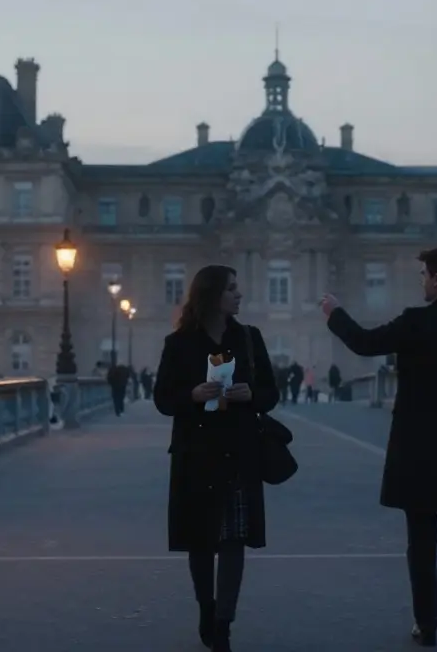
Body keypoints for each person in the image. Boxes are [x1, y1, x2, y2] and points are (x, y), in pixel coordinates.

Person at [320, 247, 437, 652]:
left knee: (421, 541)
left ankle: (426, 623)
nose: (421, 280)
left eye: (424, 274)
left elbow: (364, 343)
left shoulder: (415, 323)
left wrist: (334, 313)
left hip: (417, 446)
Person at [153, 264, 280, 651]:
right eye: (232, 289)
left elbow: (271, 394)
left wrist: (250, 395)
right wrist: (193, 396)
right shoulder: (179, 344)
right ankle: (206, 607)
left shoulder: (249, 338)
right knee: (200, 541)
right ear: (212, 296)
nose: (239, 295)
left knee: (233, 540)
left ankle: (223, 621)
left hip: (239, 451)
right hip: (196, 451)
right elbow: (162, 398)